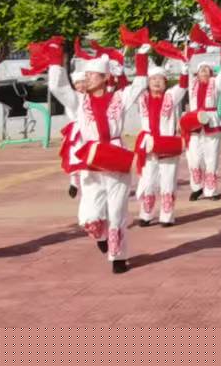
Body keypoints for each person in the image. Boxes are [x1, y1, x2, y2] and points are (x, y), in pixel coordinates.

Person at [41, 42, 146, 273]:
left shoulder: (119, 98)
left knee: (117, 211)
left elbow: (140, 84)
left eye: (91, 74)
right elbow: (57, 86)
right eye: (86, 74)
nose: (86, 78)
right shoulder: (79, 101)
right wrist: (56, 57)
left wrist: (141, 56)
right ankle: (102, 236)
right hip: (91, 158)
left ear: (105, 77)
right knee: (90, 216)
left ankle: (118, 257)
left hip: (115, 155)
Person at [132, 47, 188, 226]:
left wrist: (184, 69)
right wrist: (141, 56)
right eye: (153, 79)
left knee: (168, 182)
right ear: (148, 82)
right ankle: (146, 215)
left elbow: (183, 86)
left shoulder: (171, 96)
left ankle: (167, 216)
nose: (156, 82)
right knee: (148, 181)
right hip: (149, 145)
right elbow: (133, 84)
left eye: (160, 79)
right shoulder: (142, 97)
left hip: (167, 144)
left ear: (165, 82)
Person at [183, 47, 221, 201]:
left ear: (211, 73)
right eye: (201, 69)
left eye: (207, 69)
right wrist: (189, 54)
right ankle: (197, 187)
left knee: (212, 158)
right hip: (194, 124)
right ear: (197, 73)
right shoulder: (192, 84)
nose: (204, 71)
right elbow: (185, 70)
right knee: (194, 158)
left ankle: (211, 190)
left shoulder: (215, 83)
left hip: (211, 123)